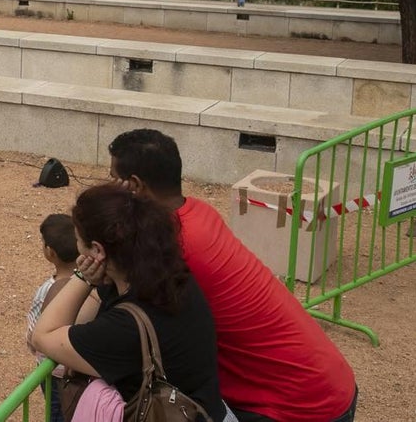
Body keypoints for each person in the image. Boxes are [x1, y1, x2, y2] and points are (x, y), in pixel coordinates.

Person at [107, 129, 358, 422]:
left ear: (134, 186)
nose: (108, 187)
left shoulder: (170, 247)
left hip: (298, 407)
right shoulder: (199, 213)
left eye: (113, 179)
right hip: (330, 383)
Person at [29, 183, 230, 422]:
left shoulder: (125, 328)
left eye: (79, 240)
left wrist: (82, 276)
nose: (77, 247)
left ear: (97, 250)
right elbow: (82, 319)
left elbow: (42, 335)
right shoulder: (168, 274)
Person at [26, 213, 100, 422]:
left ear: (50, 252)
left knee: (57, 412)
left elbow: (34, 335)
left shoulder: (47, 291)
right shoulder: (94, 285)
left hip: (54, 372)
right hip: (80, 370)